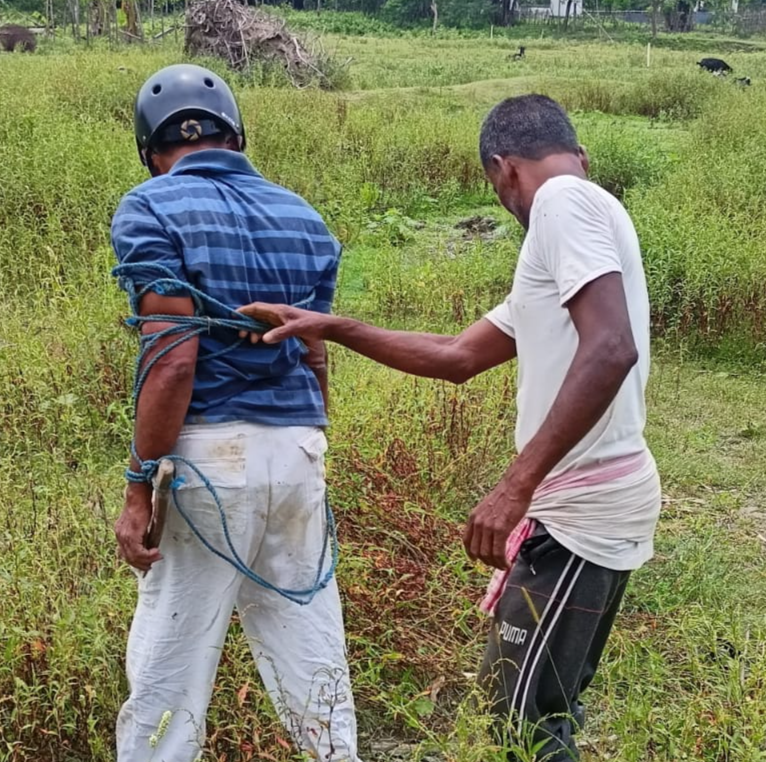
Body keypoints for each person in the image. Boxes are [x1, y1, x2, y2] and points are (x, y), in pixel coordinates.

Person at [238, 94, 662, 761]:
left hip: (584, 511)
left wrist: (513, 488)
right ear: (578, 152)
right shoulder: (580, 226)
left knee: (520, 722)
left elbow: (610, 348)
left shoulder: (560, 204)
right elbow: (458, 357)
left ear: (503, 171)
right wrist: (334, 327)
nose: (506, 203)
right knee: (534, 710)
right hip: (593, 503)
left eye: (499, 190)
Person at [111, 64, 361, 762]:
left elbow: (174, 358)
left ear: (150, 150)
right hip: (298, 450)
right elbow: (314, 355)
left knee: (170, 670)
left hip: (209, 461)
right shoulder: (302, 216)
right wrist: (307, 444)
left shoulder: (149, 207)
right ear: (237, 136)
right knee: (311, 657)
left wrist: (138, 486)